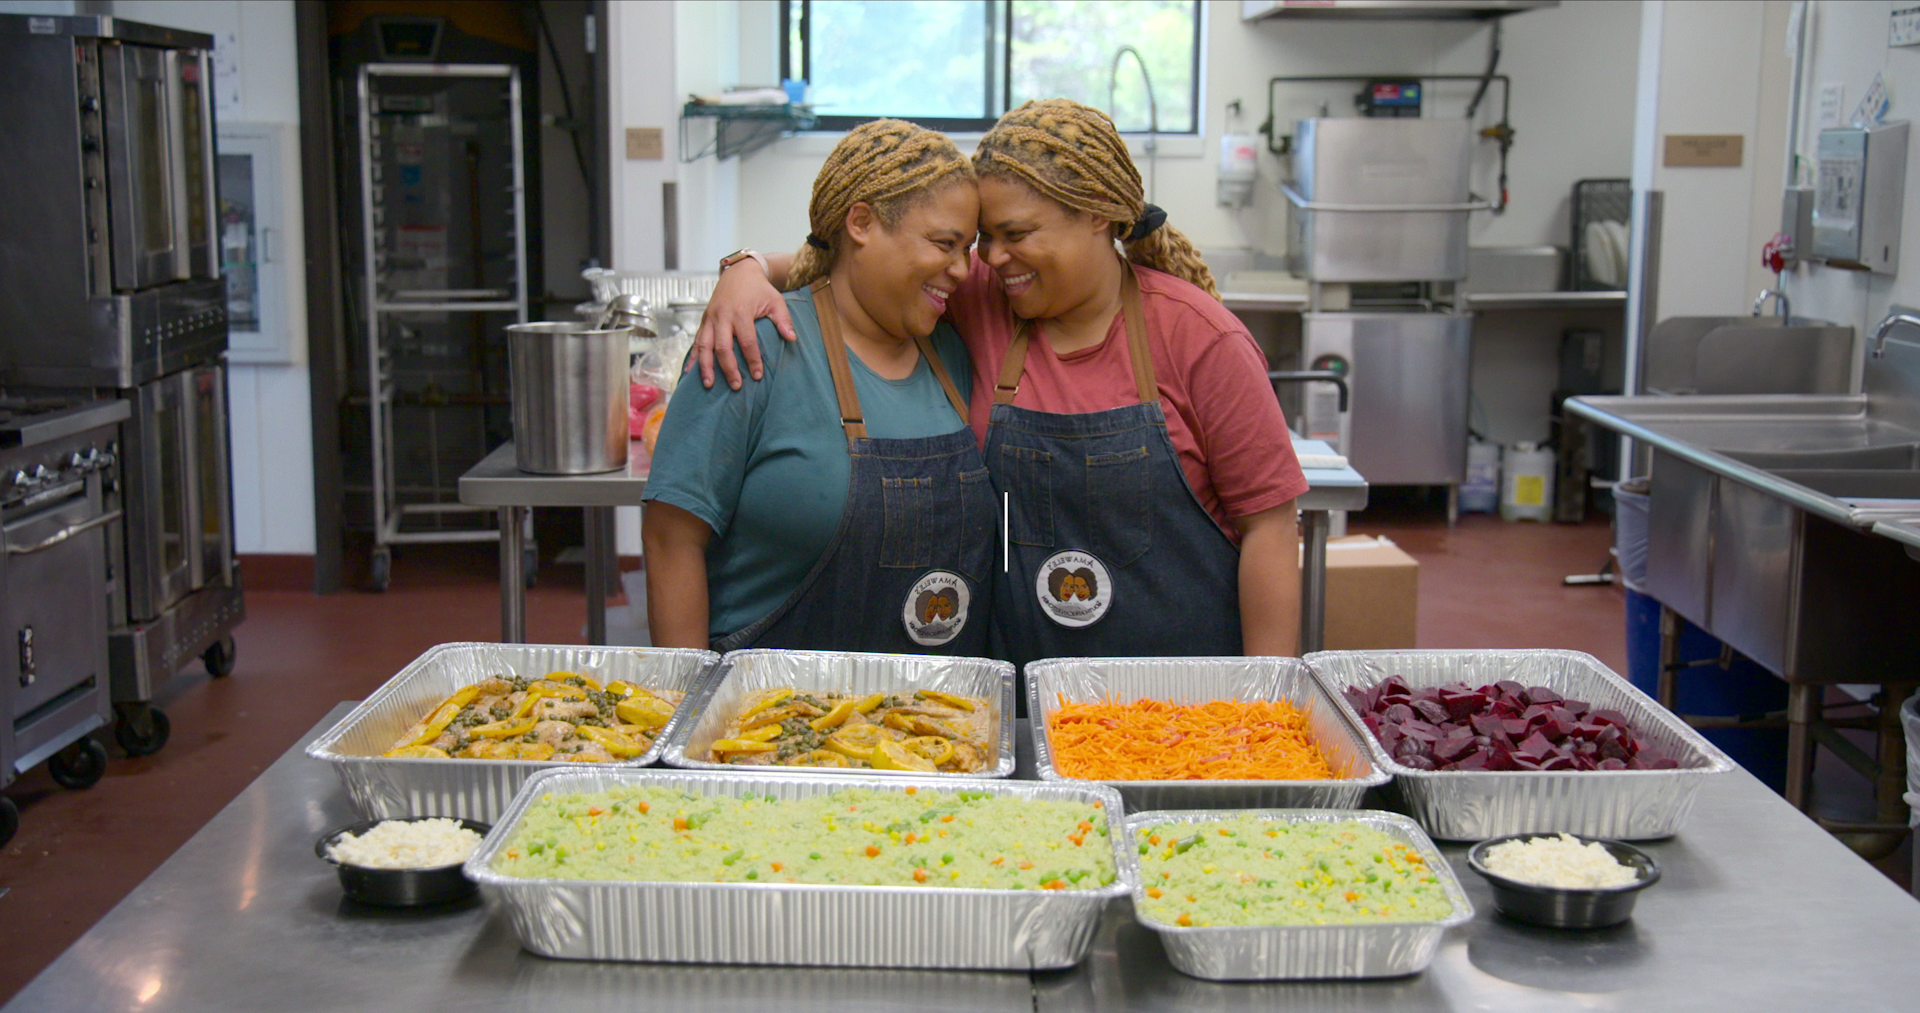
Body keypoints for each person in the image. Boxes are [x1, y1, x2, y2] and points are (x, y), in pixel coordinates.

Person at [689, 100, 1308, 668]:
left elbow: (1272, 530)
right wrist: (744, 269)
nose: (991, 257)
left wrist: (1264, 703)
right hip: (1021, 693)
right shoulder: (988, 301)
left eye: (1017, 234)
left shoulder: (1200, 338)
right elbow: (858, 263)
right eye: (987, 238)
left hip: (1184, 694)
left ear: (1098, 214)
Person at [641, 120, 993, 655]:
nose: (961, 270)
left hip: (935, 721)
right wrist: (686, 705)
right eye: (944, 243)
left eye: (967, 248)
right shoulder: (756, 344)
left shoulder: (952, 354)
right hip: (774, 722)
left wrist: (750, 262)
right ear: (861, 223)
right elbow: (671, 539)